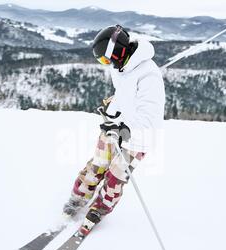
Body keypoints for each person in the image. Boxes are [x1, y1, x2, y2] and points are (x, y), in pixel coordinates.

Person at [62, 25, 165, 235]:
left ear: (117, 51)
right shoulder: (119, 67)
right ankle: (76, 200)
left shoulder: (149, 76)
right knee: (96, 165)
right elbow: (123, 95)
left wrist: (124, 130)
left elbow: (149, 116)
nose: (106, 64)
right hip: (115, 127)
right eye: (102, 62)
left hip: (138, 137)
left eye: (106, 59)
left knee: (115, 177)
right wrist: (111, 111)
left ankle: (98, 210)